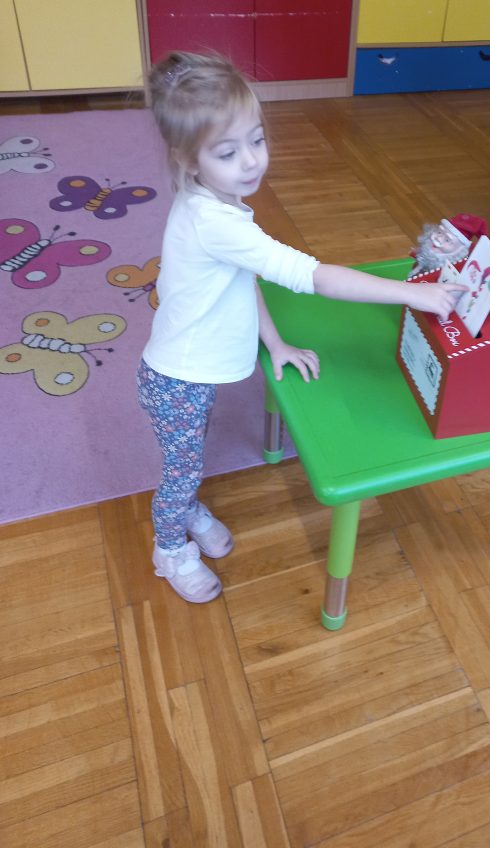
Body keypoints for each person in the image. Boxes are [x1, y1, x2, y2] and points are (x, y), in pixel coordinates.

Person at [137, 51, 465, 604]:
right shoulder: (215, 222)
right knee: (181, 467)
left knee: (188, 458)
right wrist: (414, 293)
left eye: (257, 139)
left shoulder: (210, 199)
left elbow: (241, 283)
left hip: (186, 372)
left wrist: (276, 342)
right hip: (177, 379)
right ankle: (169, 549)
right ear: (188, 160)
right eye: (227, 152)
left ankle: (186, 509)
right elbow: (313, 276)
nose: (251, 161)